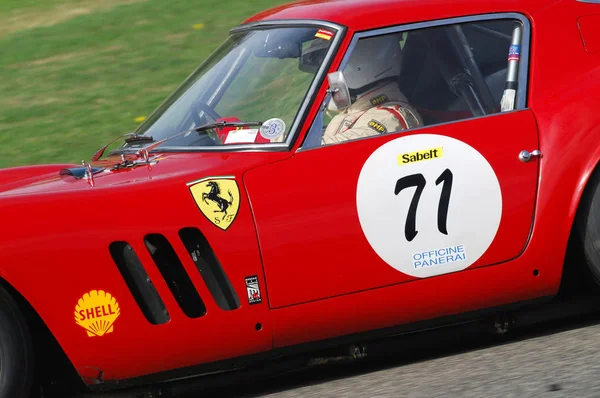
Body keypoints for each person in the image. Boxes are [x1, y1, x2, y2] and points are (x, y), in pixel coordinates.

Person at [321, 33, 423, 145]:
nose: (327, 85)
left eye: (331, 77)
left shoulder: (389, 117)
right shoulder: (359, 111)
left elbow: (327, 150)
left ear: (359, 69)